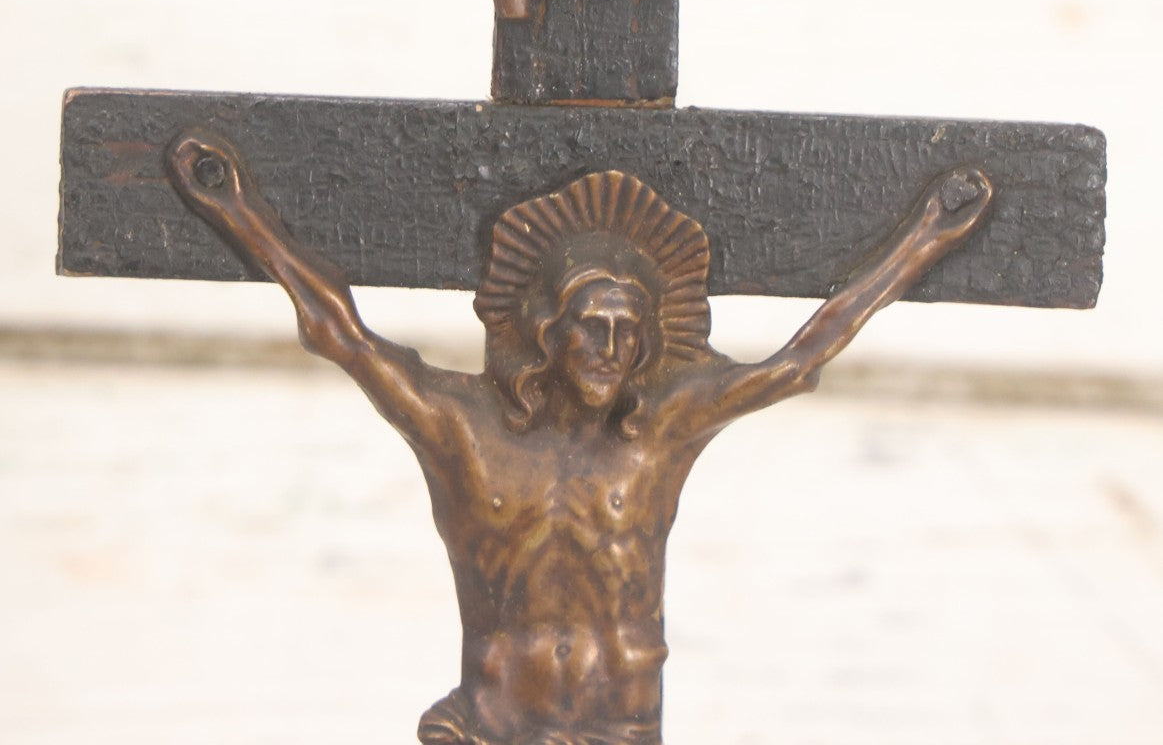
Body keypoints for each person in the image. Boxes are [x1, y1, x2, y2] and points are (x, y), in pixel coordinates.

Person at [167, 130, 992, 745]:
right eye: (591, 325)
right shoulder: (463, 431)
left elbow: (797, 363)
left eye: (629, 330)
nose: (611, 346)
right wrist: (237, 210)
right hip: (491, 726)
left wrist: (924, 237)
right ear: (545, 331)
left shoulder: (661, 430)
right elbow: (342, 335)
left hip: (619, 729)